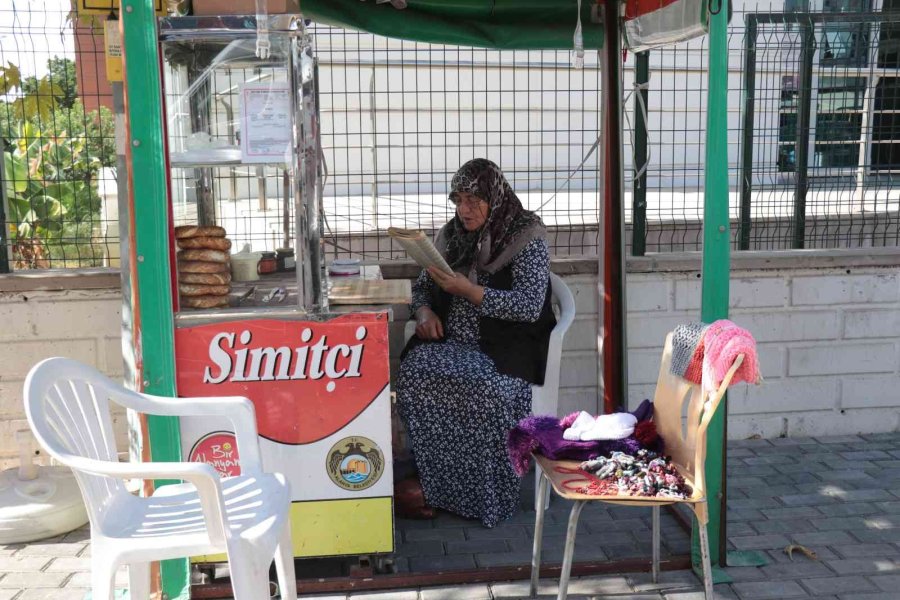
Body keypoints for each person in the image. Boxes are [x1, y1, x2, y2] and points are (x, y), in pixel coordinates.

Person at [396, 158, 556, 528]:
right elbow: (422, 286)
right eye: (458, 200)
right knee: (414, 372)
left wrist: (470, 291)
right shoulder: (452, 235)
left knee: (486, 388)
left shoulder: (525, 235)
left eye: (473, 200)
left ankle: (486, 498)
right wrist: (424, 313)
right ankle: (438, 485)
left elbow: (529, 306)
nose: (463, 210)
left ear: (494, 197)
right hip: (452, 343)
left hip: (504, 349)